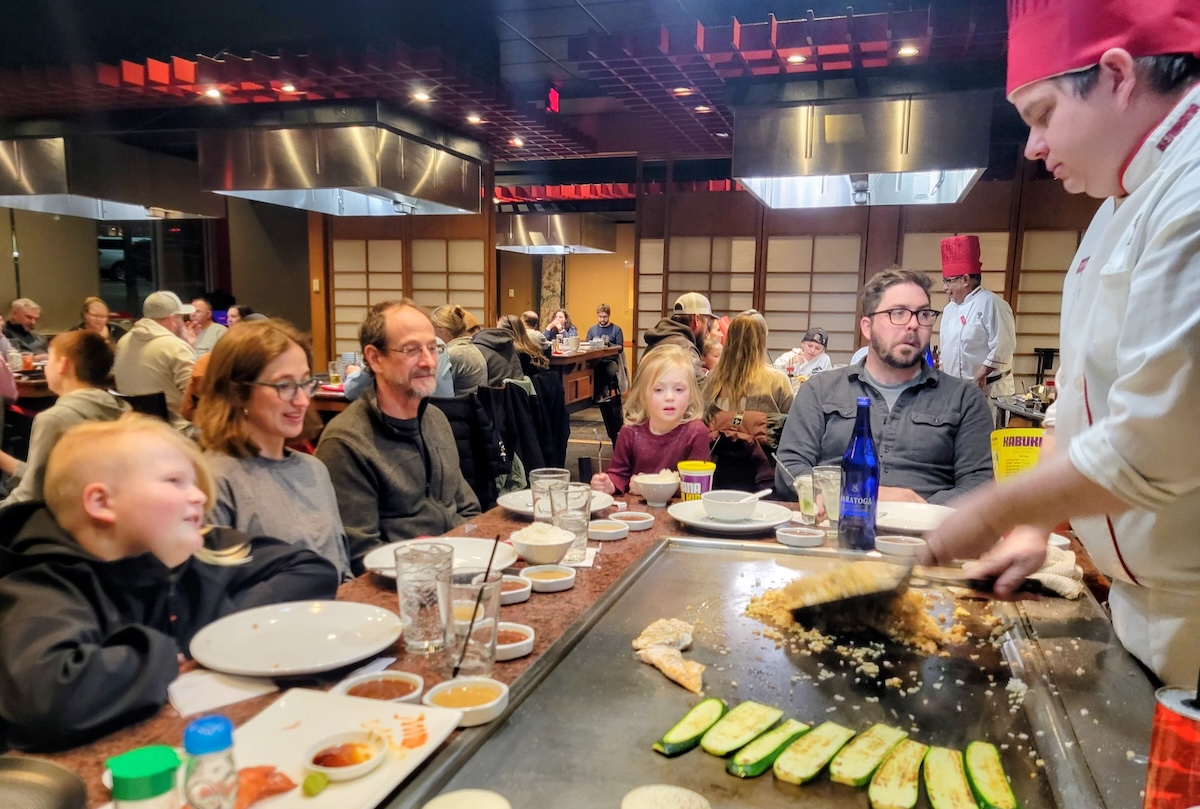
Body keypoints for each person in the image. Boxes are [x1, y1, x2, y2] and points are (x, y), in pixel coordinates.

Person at [924, 0, 1200, 687]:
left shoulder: (1190, 194)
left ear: (1116, 74)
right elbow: (1072, 410)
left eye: (1042, 115)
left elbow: (1146, 449)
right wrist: (1030, 531)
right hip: (1143, 610)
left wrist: (993, 506)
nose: (1032, 147)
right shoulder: (1115, 211)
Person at [0, 414, 339, 751]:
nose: (199, 497)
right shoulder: (41, 583)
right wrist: (162, 653)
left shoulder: (197, 548)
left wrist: (211, 637)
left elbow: (310, 570)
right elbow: (49, 697)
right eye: (175, 482)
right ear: (101, 502)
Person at [774, 269, 994, 504]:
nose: (912, 324)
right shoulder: (820, 390)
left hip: (927, 533)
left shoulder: (964, 398)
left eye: (923, 314)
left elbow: (979, 483)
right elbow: (790, 469)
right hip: (833, 528)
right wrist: (866, 495)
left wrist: (921, 510)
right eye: (897, 313)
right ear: (867, 327)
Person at [315, 300, 480, 573]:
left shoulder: (436, 421)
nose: (428, 361)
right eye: (411, 350)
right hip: (400, 588)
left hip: (459, 569)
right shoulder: (347, 442)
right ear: (375, 358)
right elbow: (361, 554)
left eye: (434, 347)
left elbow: (468, 508)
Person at [193, 319, 352, 580]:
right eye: (284, 386)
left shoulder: (314, 469)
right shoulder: (214, 480)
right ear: (237, 392)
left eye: (305, 383)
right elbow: (216, 595)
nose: (302, 401)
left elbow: (341, 569)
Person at [0, 331, 128, 507]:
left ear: (62, 365)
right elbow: (49, 479)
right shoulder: (120, 408)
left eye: (49, 359)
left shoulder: (55, 420)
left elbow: (31, 497)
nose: (45, 367)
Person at [590, 344, 711, 496]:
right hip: (635, 514)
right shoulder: (630, 432)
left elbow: (696, 485)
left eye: (679, 389)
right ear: (643, 395)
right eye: (658, 390)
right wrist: (609, 484)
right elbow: (619, 474)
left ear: (692, 394)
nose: (669, 397)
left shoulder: (696, 432)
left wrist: (649, 487)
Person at [938, 235, 1017, 422]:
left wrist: (980, 375)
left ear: (965, 279)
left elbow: (1003, 347)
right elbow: (945, 349)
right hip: (957, 393)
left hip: (988, 391)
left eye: (949, 281)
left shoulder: (992, 303)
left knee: (985, 443)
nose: (944, 287)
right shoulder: (949, 309)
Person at [113, 291, 196, 431]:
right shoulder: (175, 347)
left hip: (133, 428)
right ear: (172, 319)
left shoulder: (123, 341)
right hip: (176, 431)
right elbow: (195, 396)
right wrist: (189, 346)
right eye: (181, 318)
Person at [704, 311, 794, 415]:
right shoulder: (778, 381)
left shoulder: (713, 378)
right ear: (762, 340)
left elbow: (703, 416)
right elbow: (791, 423)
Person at [642, 292, 714, 380]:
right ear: (696, 319)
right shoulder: (685, 349)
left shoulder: (658, 339)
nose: (707, 330)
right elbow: (700, 390)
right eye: (707, 323)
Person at [431, 304, 488, 395]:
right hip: (474, 406)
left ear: (444, 332)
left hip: (460, 407)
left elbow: (438, 389)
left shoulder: (452, 354)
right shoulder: (472, 348)